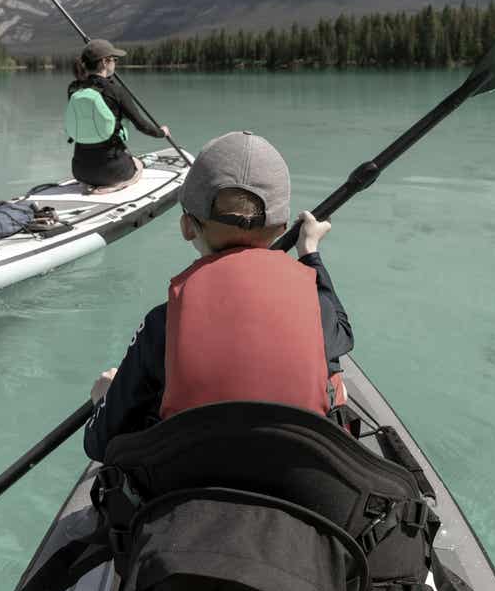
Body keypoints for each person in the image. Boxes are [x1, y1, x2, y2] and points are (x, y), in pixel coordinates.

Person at [83, 130, 353, 462]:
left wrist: (105, 398)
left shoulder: (162, 325)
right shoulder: (317, 309)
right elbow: (343, 329)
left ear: (186, 227)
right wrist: (309, 253)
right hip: (300, 485)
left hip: (186, 490)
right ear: (283, 228)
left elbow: (98, 443)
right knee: (338, 379)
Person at [65, 38, 170, 193]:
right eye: (114, 60)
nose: (115, 63)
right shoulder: (116, 91)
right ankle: (112, 187)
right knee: (138, 165)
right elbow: (141, 125)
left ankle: (93, 184)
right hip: (112, 171)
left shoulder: (73, 90)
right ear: (104, 63)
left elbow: (94, 89)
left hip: (80, 171)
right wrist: (161, 132)